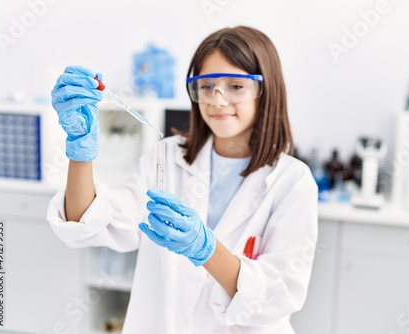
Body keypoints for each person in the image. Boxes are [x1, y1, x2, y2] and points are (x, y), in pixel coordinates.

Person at [48, 26, 318, 334]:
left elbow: (279, 296)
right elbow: (89, 220)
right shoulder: (167, 156)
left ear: (265, 90)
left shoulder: (292, 181)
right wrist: (81, 150)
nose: (217, 100)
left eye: (235, 86)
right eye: (205, 86)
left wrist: (205, 249)